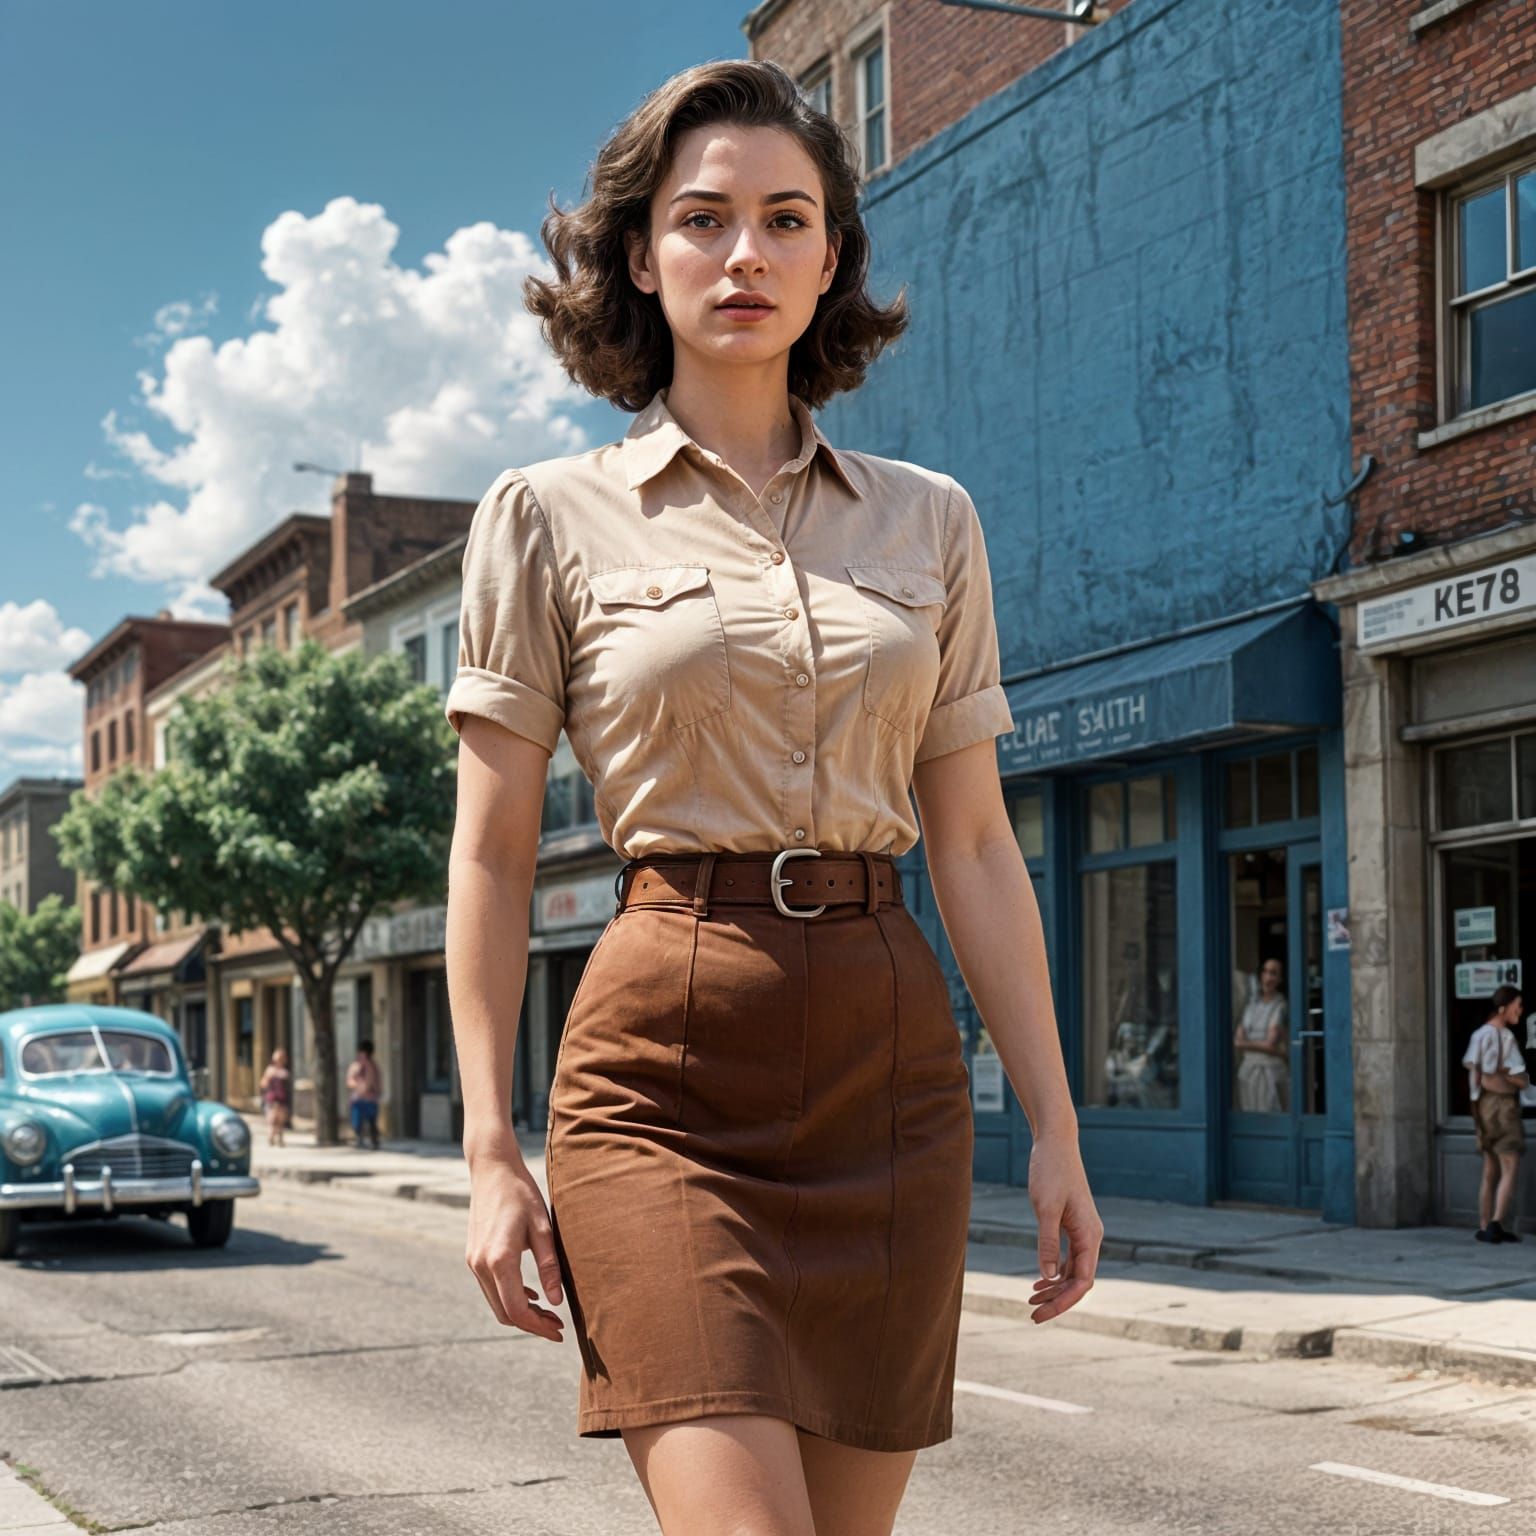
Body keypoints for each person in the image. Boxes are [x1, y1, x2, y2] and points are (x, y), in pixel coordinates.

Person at [442, 59, 1102, 1534]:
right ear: (639, 253)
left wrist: (1056, 1128)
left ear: (831, 259)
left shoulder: (933, 520)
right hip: (659, 1077)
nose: (745, 254)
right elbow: (487, 860)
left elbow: (980, 847)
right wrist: (490, 1149)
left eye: (786, 219)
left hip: (888, 1076)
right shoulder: (545, 516)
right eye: (703, 219)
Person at [1463, 984, 1528, 1244]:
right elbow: (1518, 1077)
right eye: (1517, 1006)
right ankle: (1497, 1223)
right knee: (1510, 1166)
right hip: (1502, 1106)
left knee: (1490, 1169)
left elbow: (1475, 1071)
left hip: (1481, 1107)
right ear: (1504, 1007)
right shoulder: (1505, 1037)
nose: (1520, 1012)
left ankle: (1483, 1223)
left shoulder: (1479, 1035)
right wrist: (1518, 1080)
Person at [1233, 958, 1290, 1113]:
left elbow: (1270, 1043)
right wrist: (1258, 1044)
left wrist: (1246, 1043)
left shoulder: (1280, 1005)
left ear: (1280, 979)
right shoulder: (1251, 1004)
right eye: (1265, 972)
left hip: (1270, 1073)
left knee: (1270, 1116)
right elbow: (1238, 1040)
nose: (1267, 977)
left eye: (1273, 973)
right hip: (1247, 1072)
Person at [346, 1039, 383, 1150]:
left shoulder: (374, 1066)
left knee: (372, 1122)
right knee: (357, 1122)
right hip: (358, 1099)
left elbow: (375, 1082)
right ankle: (359, 1138)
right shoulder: (355, 1066)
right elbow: (349, 1081)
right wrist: (357, 1085)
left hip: (371, 1099)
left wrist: (368, 1066)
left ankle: (374, 1140)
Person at [258, 1047, 292, 1147]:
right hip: (272, 1099)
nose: (279, 1061)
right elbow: (263, 1084)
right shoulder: (270, 1070)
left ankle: (279, 1139)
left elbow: (288, 1088)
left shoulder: (285, 1072)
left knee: (280, 1121)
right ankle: (271, 1138)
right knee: (272, 1120)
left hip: (282, 1099)